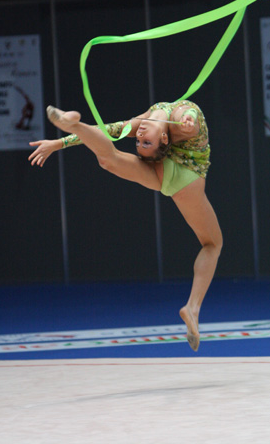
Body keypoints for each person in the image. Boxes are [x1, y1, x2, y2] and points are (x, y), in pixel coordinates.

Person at [28, 100, 223, 352]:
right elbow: (110, 129)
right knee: (213, 243)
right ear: (164, 138)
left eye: (142, 143)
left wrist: (189, 122)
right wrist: (59, 142)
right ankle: (193, 307)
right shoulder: (168, 119)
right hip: (185, 179)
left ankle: (193, 309)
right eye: (144, 142)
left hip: (173, 171)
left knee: (109, 159)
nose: (140, 138)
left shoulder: (164, 119)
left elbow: (190, 123)